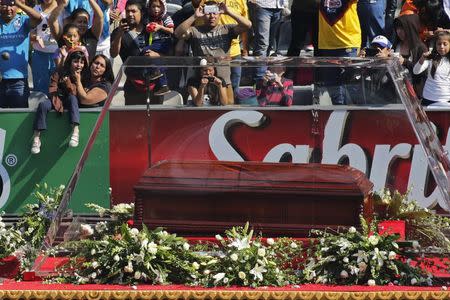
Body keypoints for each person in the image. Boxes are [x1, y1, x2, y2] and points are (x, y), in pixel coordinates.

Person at [174, 0, 252, 104]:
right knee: (201, 109)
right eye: (208, 13)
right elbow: (178, 33)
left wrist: (228, 12)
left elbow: (248, 25)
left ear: (220, 14)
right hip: (201, 79)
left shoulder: (227, 29)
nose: (212, 16)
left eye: (215, 13)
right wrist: (195, 16)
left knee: (228, 107)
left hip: (224, 80)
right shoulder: (195, 30)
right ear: (203, 14)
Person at [31, 49, 88, 154]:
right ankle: (36, 137)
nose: (79, 65)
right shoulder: (59, 72)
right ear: (69, 62)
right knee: (43, 105)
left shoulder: (84, 76)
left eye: (82, 62)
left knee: (72, 98)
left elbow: (76, 95)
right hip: (55, 99)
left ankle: (75, 131)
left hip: (71, 101)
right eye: (76, 61)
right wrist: (56, 102)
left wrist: (69, 83)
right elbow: (52, 88)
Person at [316, 0, 361, 105]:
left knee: (351, 85)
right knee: (332, 86)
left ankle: (354, 115)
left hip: (347, 43)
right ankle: (339, 113)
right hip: (327, 44)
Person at [110, 0, 153, 105]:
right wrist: (120, 33)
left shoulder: (150, 28)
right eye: (127, 11)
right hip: (133, 85)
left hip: (154, 84)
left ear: (141, 13)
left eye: (133, 11)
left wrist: (157, 55)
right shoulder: (118, 32)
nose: (130, 14)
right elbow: (113, 53)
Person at [0, 0, 42, 108]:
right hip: (0, 79)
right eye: (5, 5)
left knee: (17, 117)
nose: (8, 8)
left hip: (19, 81)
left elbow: (38, 18)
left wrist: (18, 4)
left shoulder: (23, 21)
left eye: (11, 5)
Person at [141, 0, 174, 96]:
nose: (156, 9)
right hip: (155, 42)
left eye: (158, 7)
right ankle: (164, 86)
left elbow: (171, 30)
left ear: (163, 7)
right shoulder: (148, 17)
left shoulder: (165, 17)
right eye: (153, 6)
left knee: (145, 51)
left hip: (164, 42)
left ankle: (155, 71)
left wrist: (160, 27)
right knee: (158, 62)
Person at [393, 14, 428, 97]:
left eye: (402, 28)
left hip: (415, 93)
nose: (399, 31)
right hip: (396, 90)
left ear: (410, 29)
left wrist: (405, 62)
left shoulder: (421, 48)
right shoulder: (396, 45)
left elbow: (423, 73)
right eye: (397, 28)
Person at [413, 31, 450, 106]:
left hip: (447, 99)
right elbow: (415, 71)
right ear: (435, 45)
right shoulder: (430, 58)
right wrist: (422, 58)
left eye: (445, 44)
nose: (441, 47)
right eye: (439, 44)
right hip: (429, 98)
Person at [30, 0, 58, 96]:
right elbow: (30, 32)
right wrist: (36, 37)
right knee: (40, 90)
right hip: (39, 54)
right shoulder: (35, 9)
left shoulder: (61, 8)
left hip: (58, 55)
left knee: (56, 87)